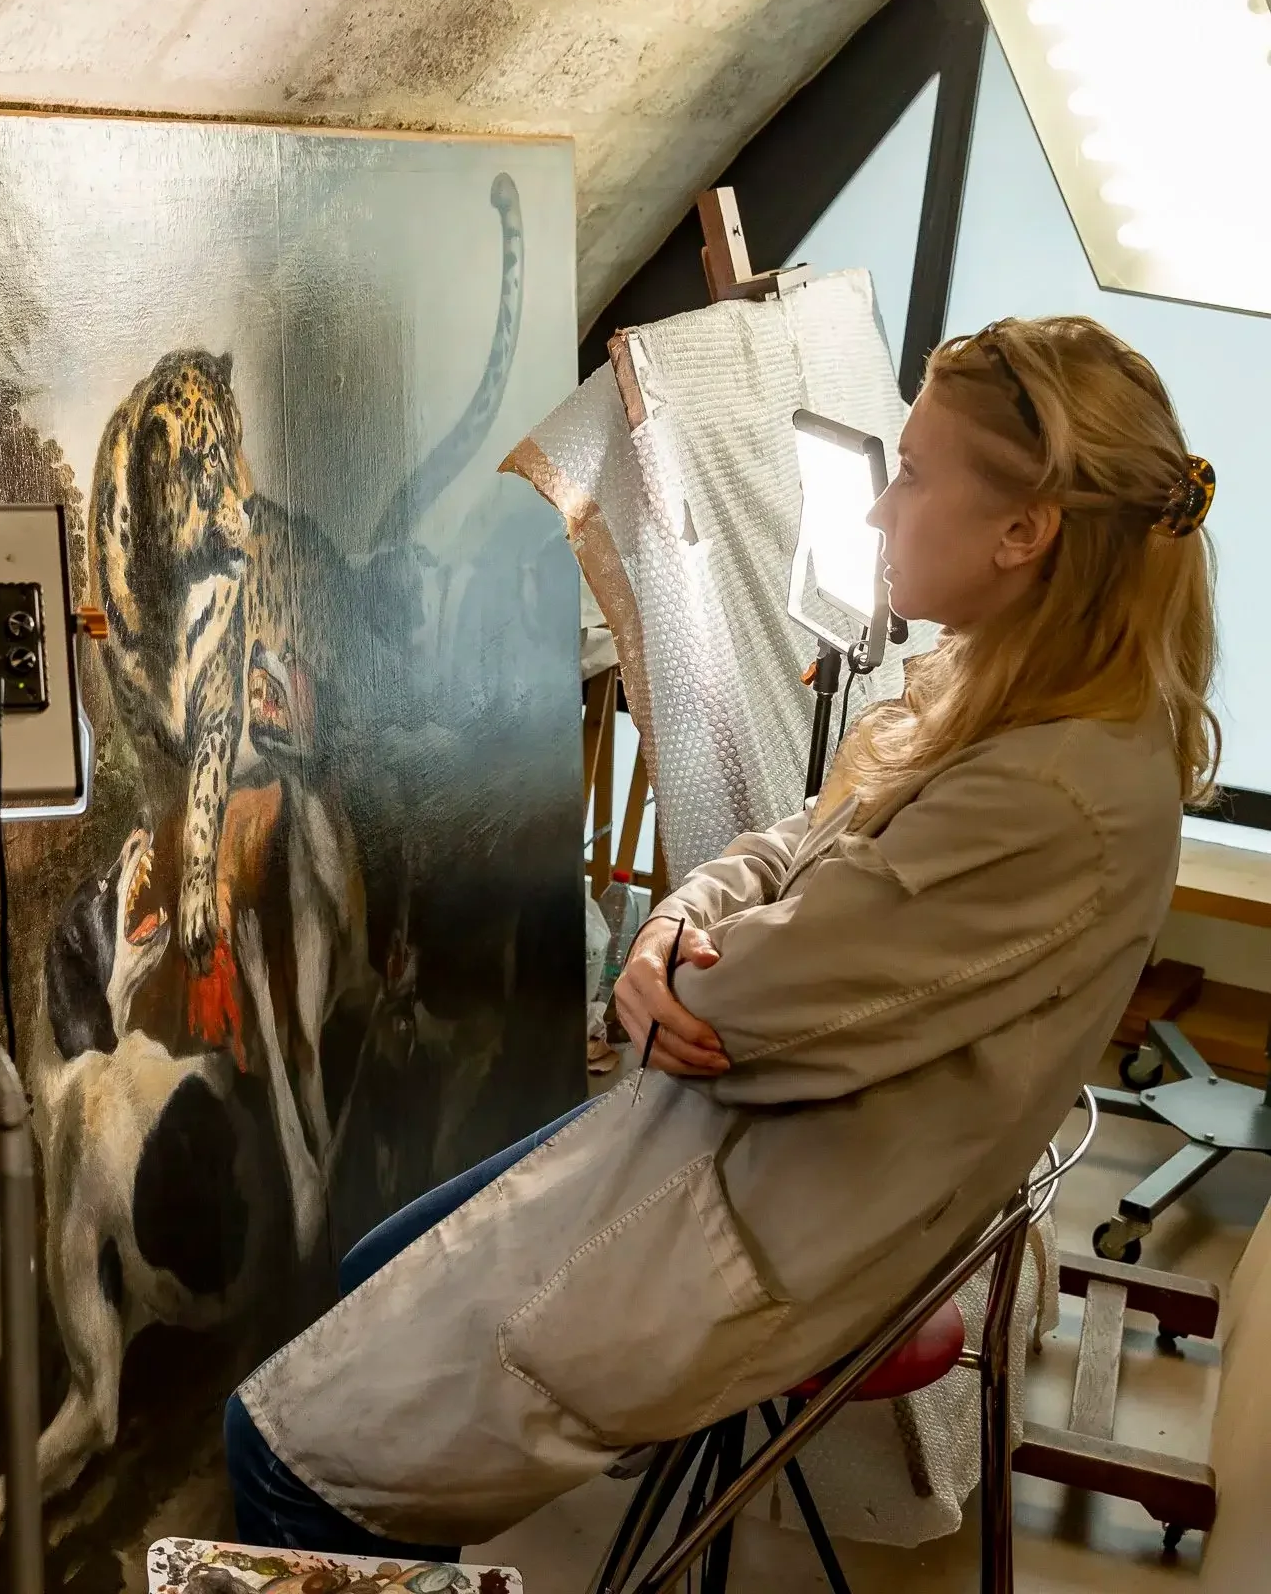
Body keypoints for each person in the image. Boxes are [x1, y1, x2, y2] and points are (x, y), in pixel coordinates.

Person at [223, 315, 1220, 1558]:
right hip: (716, 1137)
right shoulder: (993, 689)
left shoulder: (1052, 795)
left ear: (1023, 533)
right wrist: (668, 936)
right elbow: (786, 842)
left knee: (287, 1464)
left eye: (910, 476)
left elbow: (737, 1005)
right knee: (371, 1270)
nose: (874, 512)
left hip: (769, 1217)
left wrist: (681, 962)